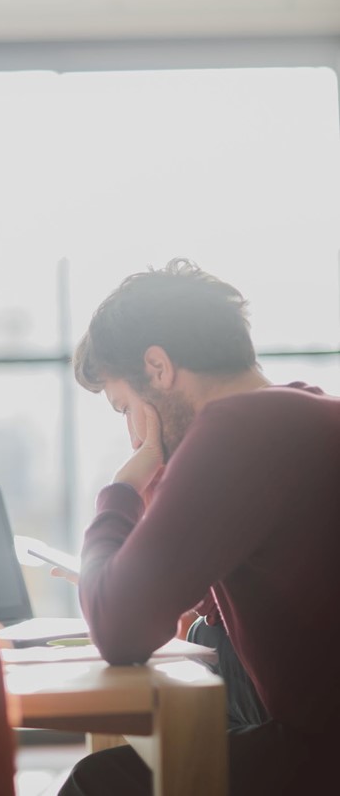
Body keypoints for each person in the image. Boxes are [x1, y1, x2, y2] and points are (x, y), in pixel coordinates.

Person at [58, 258, 340, 796]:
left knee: (98, 784)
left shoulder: (236, 429)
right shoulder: (303, 409)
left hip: (323, 753)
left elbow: (118, 629)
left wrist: (121, 491)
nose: (131, 431)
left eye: (124, 407)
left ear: (158, 368)